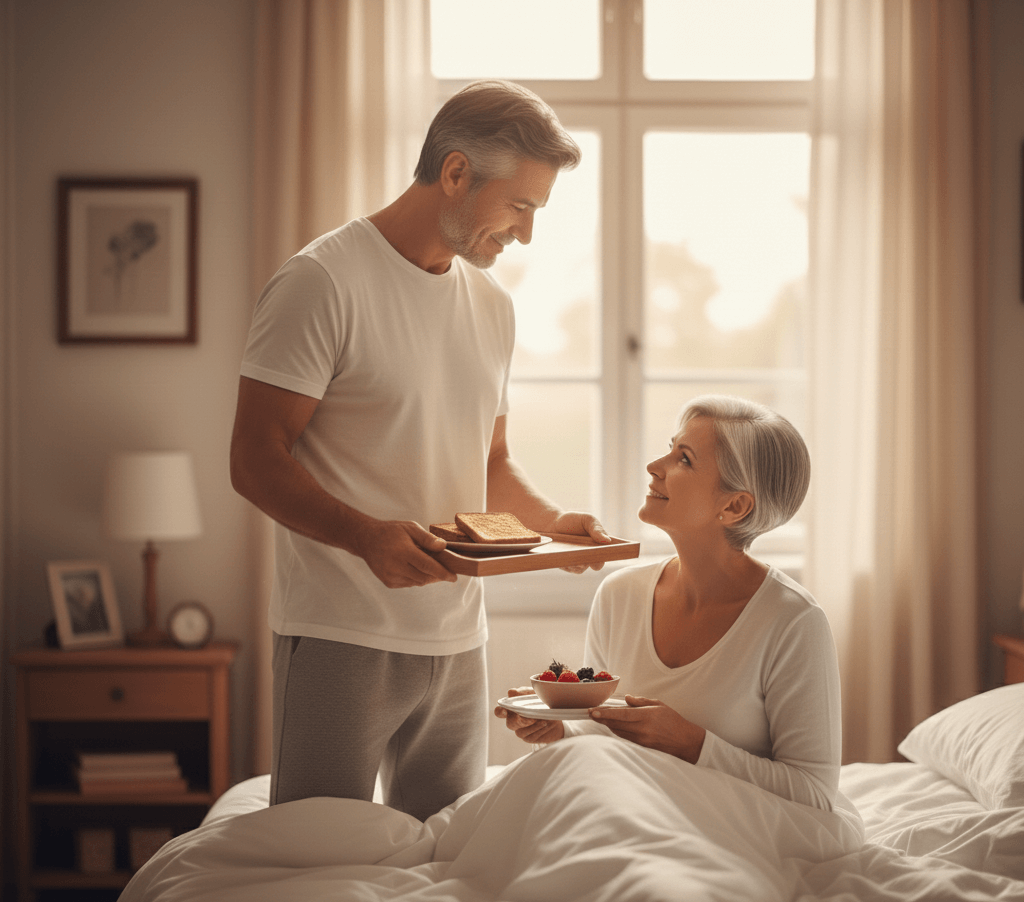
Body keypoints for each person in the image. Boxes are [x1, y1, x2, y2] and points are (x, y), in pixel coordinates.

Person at [230, 79, 610, 821]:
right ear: (457, 173)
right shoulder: (321, 282)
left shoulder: (492, 306)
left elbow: (490, 464)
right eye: (521, 206)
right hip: (339, 632)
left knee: (447, 854)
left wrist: (554, 524)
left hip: (459, 639)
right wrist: (365, 536)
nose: (526, 234)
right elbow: (254, 460)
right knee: (317, 855)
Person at [497, 394, 842, 812]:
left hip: (728, 828)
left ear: (733, 505)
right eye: (670, 448)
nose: (655, 467)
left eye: (685, 459)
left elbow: (814, 793)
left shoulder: (793, 622)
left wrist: (692, 744)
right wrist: (558, 733)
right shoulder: (618, 595)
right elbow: (602, 736)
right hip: (627, 809)